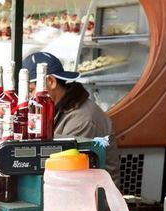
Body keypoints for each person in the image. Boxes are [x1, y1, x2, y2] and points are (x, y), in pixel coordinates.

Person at [23, 51, 121, 188]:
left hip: (95, 203)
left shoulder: (83, 120)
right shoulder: (56, 109)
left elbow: (63, 171)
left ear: (50, 82)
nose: (28, 98)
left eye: (30, 90)